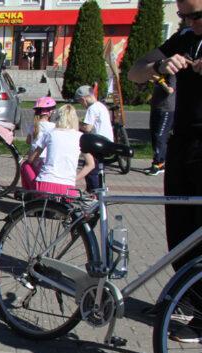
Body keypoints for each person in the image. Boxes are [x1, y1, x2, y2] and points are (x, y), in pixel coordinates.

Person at [129, 0, 202, 280]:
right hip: (182, 144)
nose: (189, 23)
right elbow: (136, 71)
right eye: (183, 17)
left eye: (196, 16)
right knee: (179, 228)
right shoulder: (184, 37)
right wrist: (160, 66)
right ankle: (186, 300)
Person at [25, 104, 95, 197]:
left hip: (46, 183)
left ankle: (30, 196)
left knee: (25, 165)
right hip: (68, 188)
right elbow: (91, 165)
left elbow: (32, 159)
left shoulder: (50, 133)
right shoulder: (80, 137)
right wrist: (74, 178)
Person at [75, 85, 113, 191]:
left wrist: (75, 124)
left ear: (83, 99)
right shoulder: (101, 106)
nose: (82, 105)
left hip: (97, 144)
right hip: (106, 142)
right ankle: (98, 189)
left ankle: (94, 192)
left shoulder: (92, 108)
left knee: (91, 169)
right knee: (97, 168)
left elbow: (87, 128)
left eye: (80, 102)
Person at [20, 96, 57, 190]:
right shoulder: (53, 126)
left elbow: (28, 141)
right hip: (46, 158)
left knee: (31, 173)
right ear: (49, 112)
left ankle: (30, 191)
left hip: (33, 158)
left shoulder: (33, 125)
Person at [147, 74, 176, 176]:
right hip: (156, 108)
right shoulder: (160, 72)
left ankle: (158, 163)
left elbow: (170, 90)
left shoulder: (172, 75)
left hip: (167, 109)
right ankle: (160, 162)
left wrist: (159, 80)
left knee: (160, 136)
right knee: (154, 135)